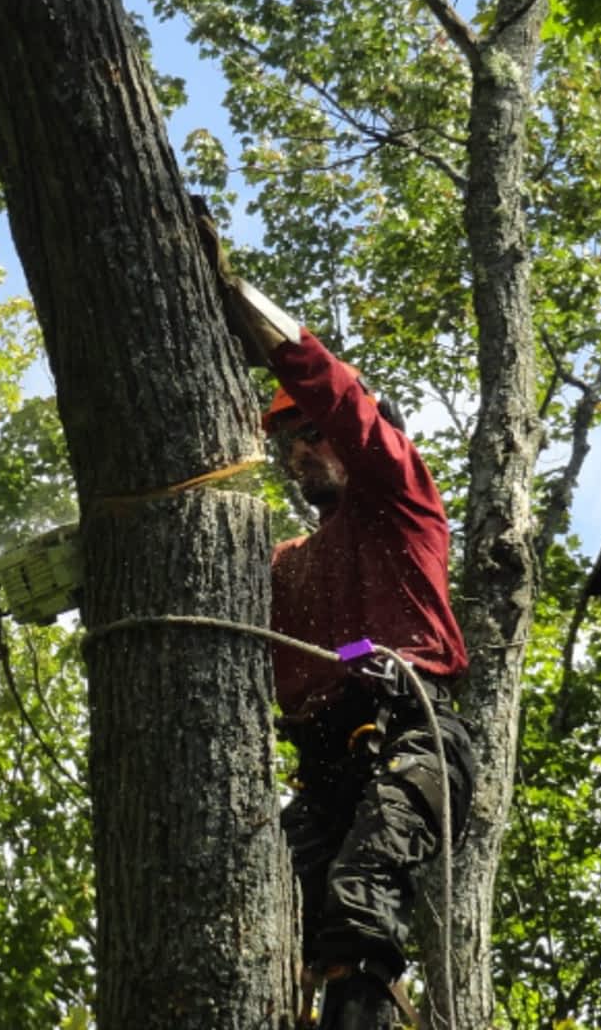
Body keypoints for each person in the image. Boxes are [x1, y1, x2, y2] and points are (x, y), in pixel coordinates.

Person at [212, 259, 474, 1030]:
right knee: (274, 909)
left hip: (410, 733)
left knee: (362, 893)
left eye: (310, 435)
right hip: (324, 767)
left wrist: (257, 319)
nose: (297, 456)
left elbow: (350, 406)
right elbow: (209, 613)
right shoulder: (286, 565)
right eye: (286, 444)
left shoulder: (401, 506)